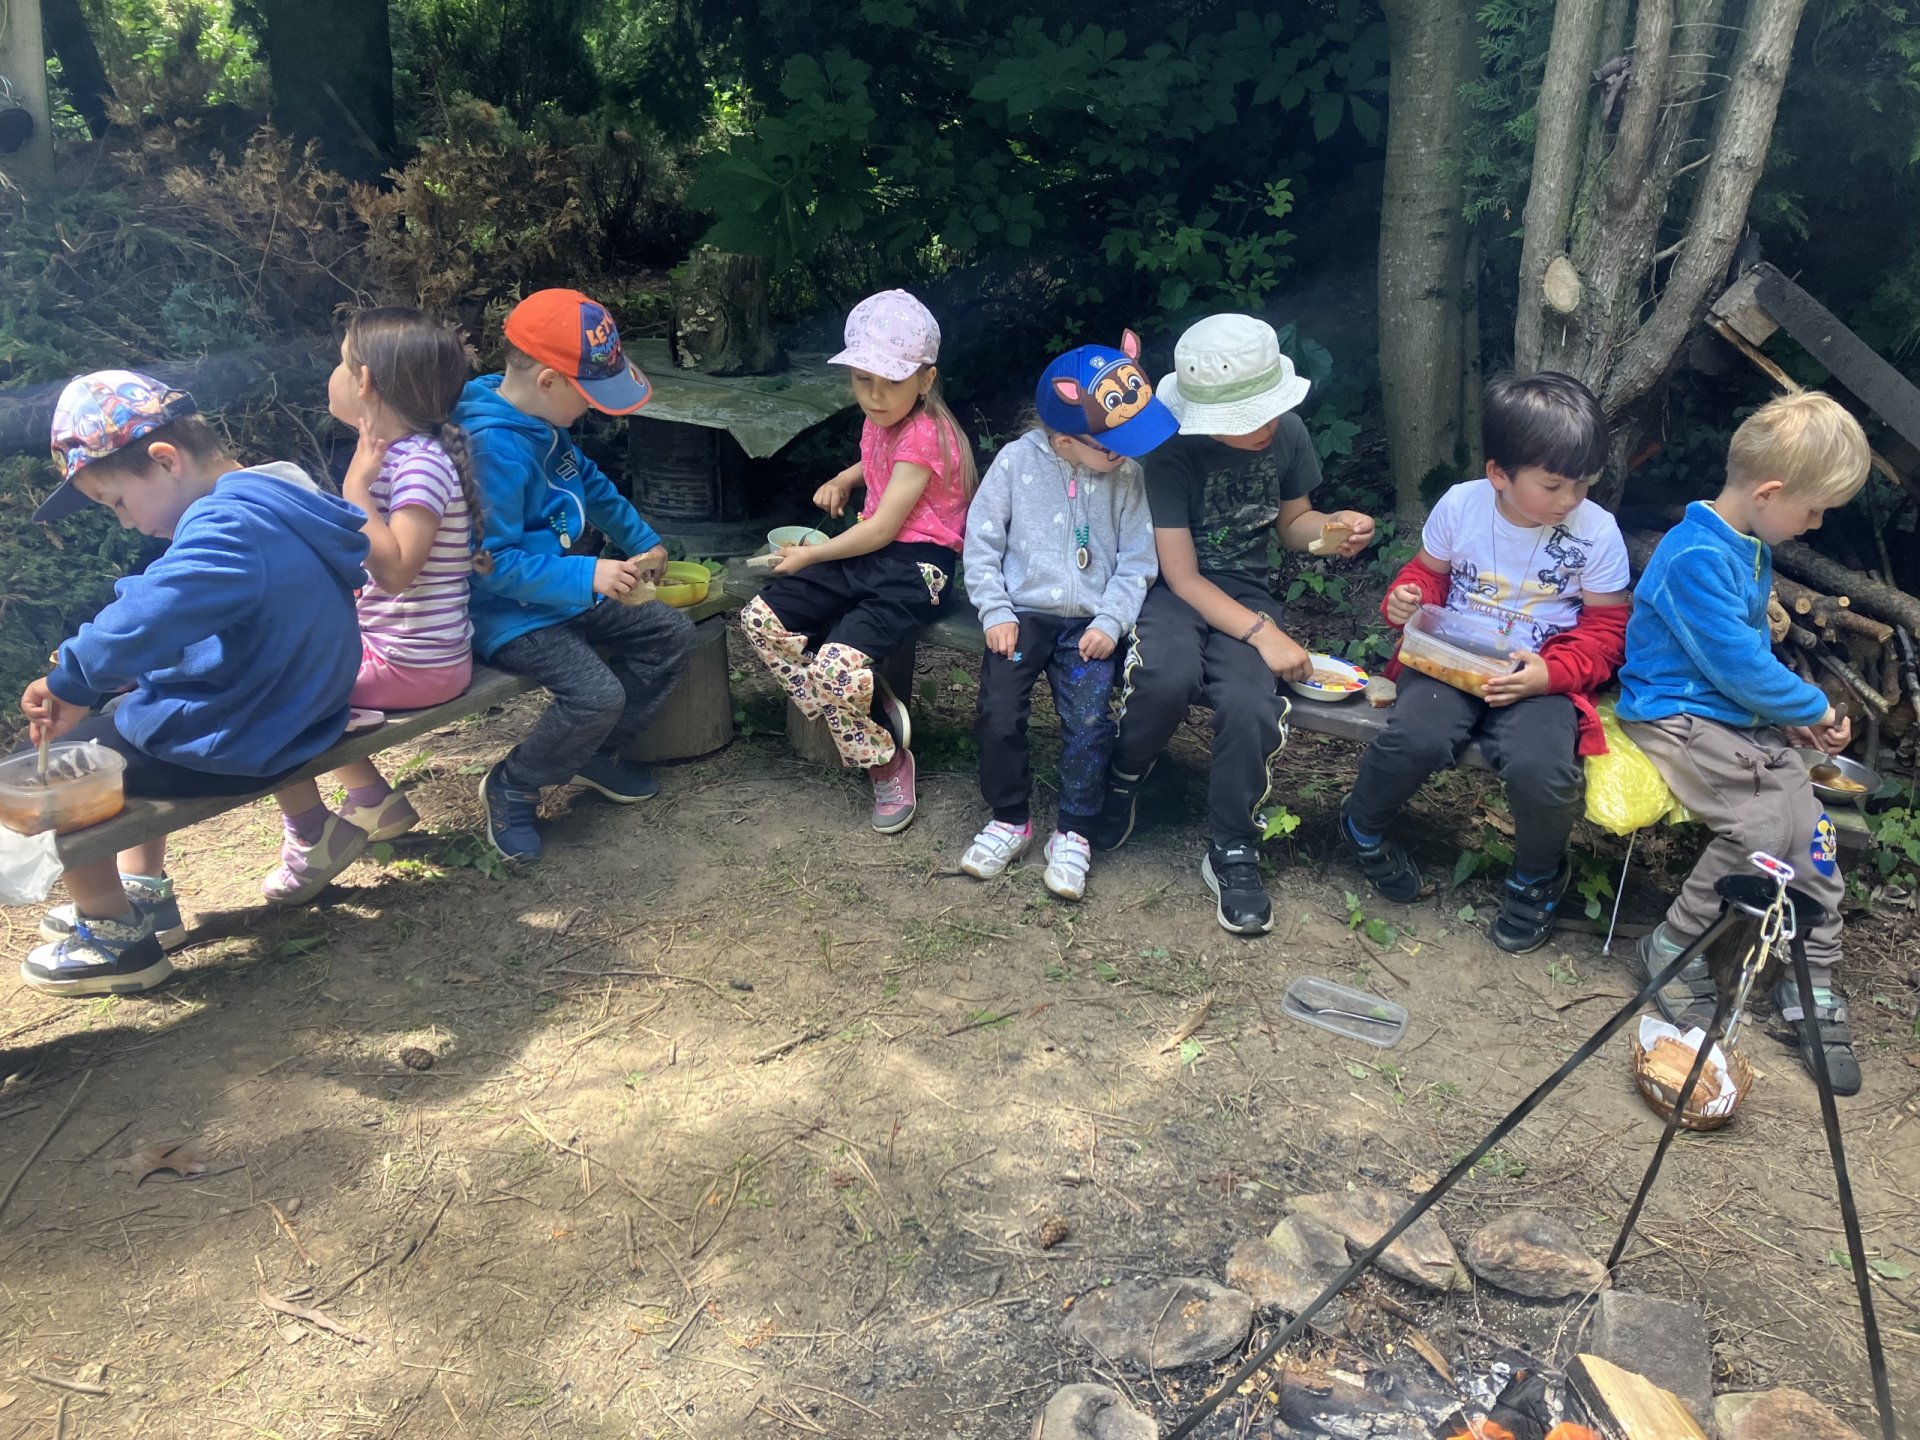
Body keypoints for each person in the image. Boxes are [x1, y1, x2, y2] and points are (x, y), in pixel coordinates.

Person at [20, 371, 369, 996]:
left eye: (117, 502)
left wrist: (71, 677)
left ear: (165, 460)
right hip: (300, 716)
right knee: (126, 716)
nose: (124, 523)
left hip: (245, 737)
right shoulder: (274, 498)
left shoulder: (226, 528)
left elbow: (152, 611)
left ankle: (114, 937)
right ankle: (145, 895)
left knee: (60, 770)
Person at [1618, 391, 1870, 1095]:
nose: (1816, 524)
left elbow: (1745, 665)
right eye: (1813, 510)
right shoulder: (1695, 555)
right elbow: (1736, 664)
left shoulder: (1745, 546)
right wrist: (1813, 705)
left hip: (1733, 721)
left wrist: (1790, 722)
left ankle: (1811, 979)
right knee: (1760, 831)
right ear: (1768, 493)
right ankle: (1671, 944)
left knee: (1811, 833)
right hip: (1676, 714)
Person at [1090, 314, 1375, 936]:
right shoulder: (1172, 451)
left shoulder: (1288, 432)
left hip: (1245, 590)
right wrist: (1263, 633)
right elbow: (1183, 576)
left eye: (1270, 410)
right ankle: (1124, 778)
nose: (1266, 425)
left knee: (1250, 702)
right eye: (1250, 417)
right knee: (1164, 676)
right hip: (1172, 590)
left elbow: (1293, 524)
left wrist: (1330, 533)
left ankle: (1233, 844)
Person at [1341, 373, 1631, 953]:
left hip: (1540, 673)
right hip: (1451, 658)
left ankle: (1536, 876)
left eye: (1584, 483)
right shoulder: (1463, 505)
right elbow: (1427, 574)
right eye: (1554, 485)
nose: (1571, 499)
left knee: (1542, 768)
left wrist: (1550, 675)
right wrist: (1406, 597)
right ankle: (1362, 825)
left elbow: (1608, 628)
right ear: (1499, 474)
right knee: (1417, 735)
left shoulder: (1596, 532)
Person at [455, 288, 694, 864]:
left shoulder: (541, 422)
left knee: (671, 635)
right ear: (547, 381)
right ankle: (515, 783)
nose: (590, 409)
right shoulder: (492, 448)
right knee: (595, 695)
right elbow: (491, 564)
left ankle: (592, 753)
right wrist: (589, 573)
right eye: (587, 396)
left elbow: (589, 483)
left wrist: (641, 538)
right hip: (510, 614)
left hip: (564, 591)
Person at [256, 308, 479, 900]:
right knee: (285, 661)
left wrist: (355, 490)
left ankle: (313, 834)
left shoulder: (420, 463)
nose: (331, 375)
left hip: (412, 663)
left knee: (264, 689)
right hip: (407, 655)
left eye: (340, 362)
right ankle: (372, 801)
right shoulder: (404, 456)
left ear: (365, 382)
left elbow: (399, 569)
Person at [739, 289, 977, 834]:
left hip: (915, 568)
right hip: (870, 552)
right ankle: (857, 699)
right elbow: (878, 460)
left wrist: (810, 556)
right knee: (760, 620)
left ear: (925, 379)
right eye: (862, 379)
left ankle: (885, 760)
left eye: (890, 381)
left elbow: (883, 528)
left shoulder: (927, 433)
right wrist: (846, 477)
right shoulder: (883, 416)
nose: (874, 395)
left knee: (833, 670)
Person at [959, 333, 1167, 899]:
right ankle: (1010, 819)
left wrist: (1111, 621)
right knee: (999, 711)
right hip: (1022, 614)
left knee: (1090, 722)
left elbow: (1138, 560)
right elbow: (981, 542)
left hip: (1091, 624)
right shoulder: (1014, 463)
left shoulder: (1126, 475)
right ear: (1064, 439)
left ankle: (1074, 830)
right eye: (1110, 442)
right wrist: (995, 610)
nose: (1122, 450)